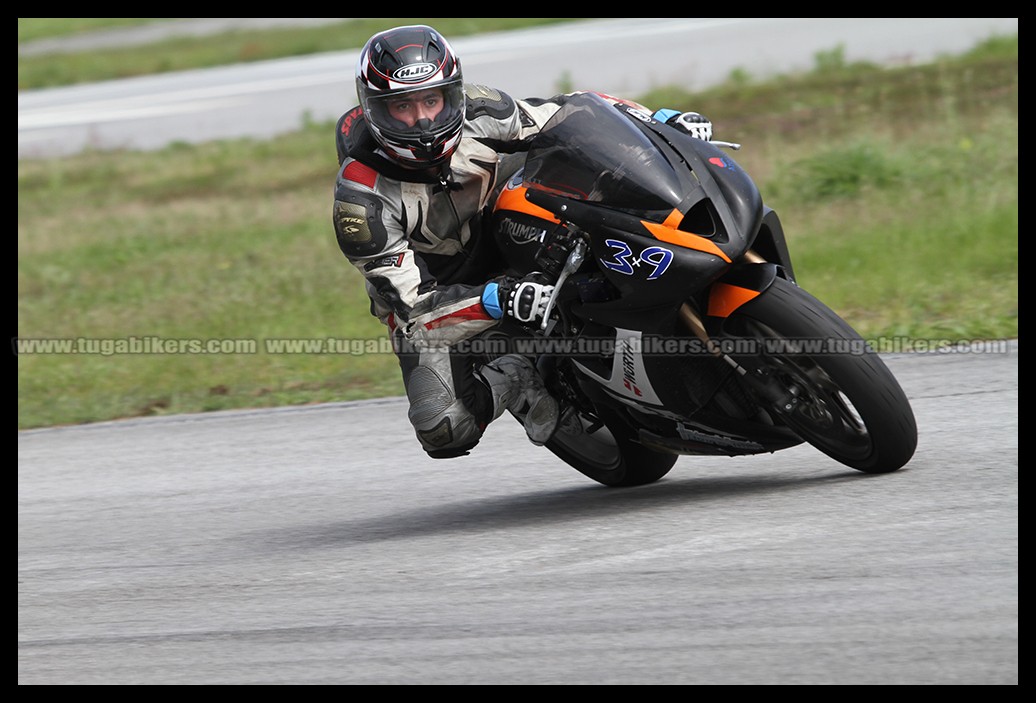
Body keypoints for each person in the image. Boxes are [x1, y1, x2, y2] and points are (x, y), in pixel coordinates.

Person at [332, 24, 712, 459]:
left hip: (505, 222)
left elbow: (571, 111)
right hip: (442, 288)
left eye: (432, 101)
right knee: (442, 427)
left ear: (450, 93)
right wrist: (495, 300)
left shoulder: (479, 107)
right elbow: (413, 312)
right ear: (375, 109)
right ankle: (516, 374)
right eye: (402, 106)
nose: (422, 119)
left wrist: (657, 120)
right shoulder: (359, 203)